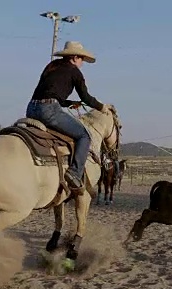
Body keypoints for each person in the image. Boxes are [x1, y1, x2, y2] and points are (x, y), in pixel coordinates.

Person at [26, 40, 112, 192]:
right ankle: (75, 173)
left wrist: (68, 103)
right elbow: (86, 97)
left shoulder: (51, 67)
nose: (82, 62)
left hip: (32, 108)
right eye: (81, 58)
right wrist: (101, 107)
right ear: (74, 57)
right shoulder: (74, 72)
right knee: (84, 135)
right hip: (49, 110)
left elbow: (48, 91)